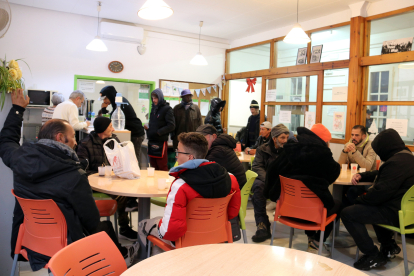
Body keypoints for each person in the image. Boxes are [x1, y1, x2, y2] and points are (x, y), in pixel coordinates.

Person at [0, 90, 138, 270]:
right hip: (68, 246)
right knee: (104, 227)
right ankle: (121, 261)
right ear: (60, 138)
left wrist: (17, 109)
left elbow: (6, 141)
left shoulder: (20, 159)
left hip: (30, 241)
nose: (75, 142)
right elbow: (90, 220)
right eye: (72, 137)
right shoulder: (74, 175)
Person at [137, 132, 241, 251]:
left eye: (178, 152)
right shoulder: (230, 179)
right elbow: (232, 213)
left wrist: (160, 227)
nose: (176, 156)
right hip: (217, 237)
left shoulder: (180, 186)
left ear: (190, 157)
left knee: (144, 225)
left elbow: (170, 231)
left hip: (186, 242)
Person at [341, 129, 414, 271]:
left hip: (395, 213)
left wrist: (359, 200)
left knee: (348, 213)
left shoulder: (396, 163)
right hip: (407, 212)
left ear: (386, 147)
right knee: (371, 209)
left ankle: (372, 255)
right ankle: (388, 246)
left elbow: (378, 194)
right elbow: (384, 173)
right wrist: (363, 176)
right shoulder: (407, 157)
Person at [264, 124, 341, 255]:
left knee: (307, 199)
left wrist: (271, 193)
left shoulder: (289, 149)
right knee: (338, 203)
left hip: (288, 211)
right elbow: (333, 175)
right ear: (325, 141)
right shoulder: (324, 156)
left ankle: (311, 238)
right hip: (312, 214)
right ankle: (316, 241)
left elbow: (271, 172)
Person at [77, 116, 138, 241]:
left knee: (131, 189)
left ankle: (131, 206)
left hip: (112, 181)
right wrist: (100, 173)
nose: (113, 129)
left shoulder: (113, 140)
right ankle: (124, 228)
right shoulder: (85, 144)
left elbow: (122, 159)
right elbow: (81, 170)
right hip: (94, 184)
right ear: (102, 129)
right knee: (121, 196)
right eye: (110, 126)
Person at [251, 124, 290, 243]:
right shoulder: (262, 149)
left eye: (287, 137)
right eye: (282, 138)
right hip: (266, 180)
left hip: (284, 182)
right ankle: (262, 225)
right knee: (257, 186)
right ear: (274, 138)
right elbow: (257, 167)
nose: (285, 141)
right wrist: (269, 180)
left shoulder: (289, 150)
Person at [99, 85, 145, 163]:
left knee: (134, 159)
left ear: (110, 96)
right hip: (132, 132)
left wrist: (103, 109)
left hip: (136, 133)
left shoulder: (120, 103)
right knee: (130, 158)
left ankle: (137, 174)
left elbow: (112, 120)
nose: (104, 101)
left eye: (105, 98)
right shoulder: (116, 102)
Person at [145, 88, 175, 170]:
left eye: (156, 98)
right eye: (153, 98)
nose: (154, 100)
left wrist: (158, 132)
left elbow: (171, 125)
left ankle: (164, 183)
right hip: (151, 141)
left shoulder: (167, 109)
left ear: (160, 97)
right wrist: (148, 126)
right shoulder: (153, 108)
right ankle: (153, 183)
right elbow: (153, 122)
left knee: (162, 166)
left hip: (161, 142)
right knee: (153, 166)